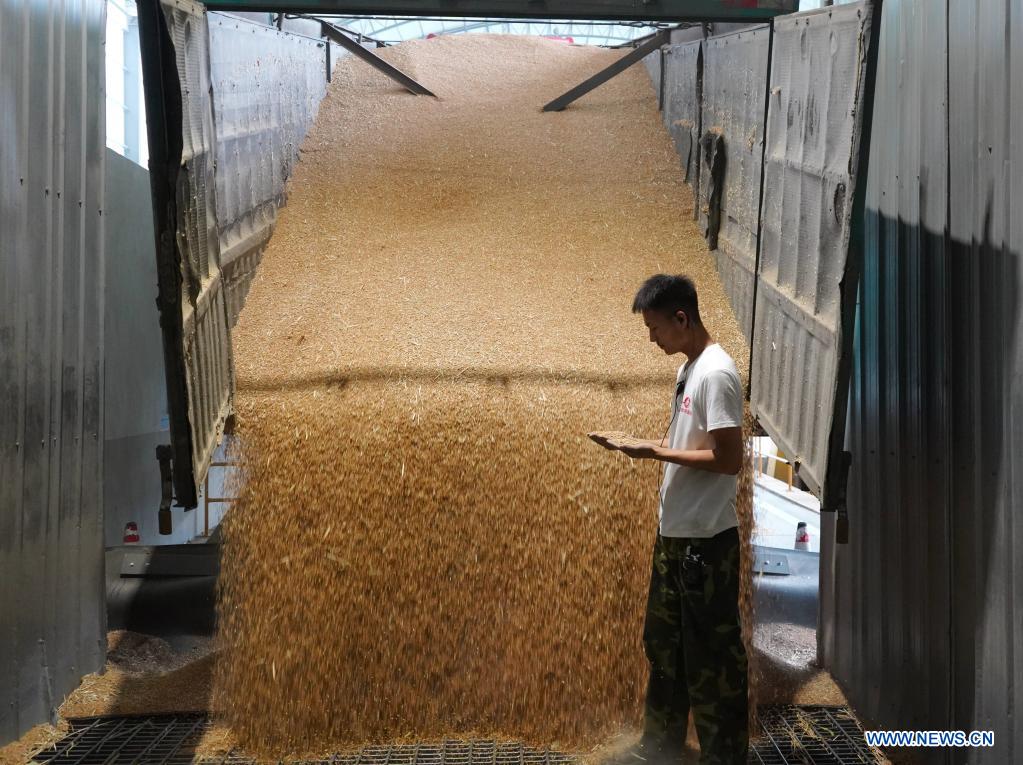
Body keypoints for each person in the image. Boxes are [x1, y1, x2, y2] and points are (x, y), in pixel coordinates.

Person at [589, 274, 748, 765]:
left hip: (705, 544)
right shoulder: (690, 369)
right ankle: (659, 748)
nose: (652, 338)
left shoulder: (716, 373)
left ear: (682, 318)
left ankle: (723, 758)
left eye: (655, 327)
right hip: (677, 540)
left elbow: (729, 459)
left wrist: (651, 450)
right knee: (664, 649)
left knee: (711, 660)